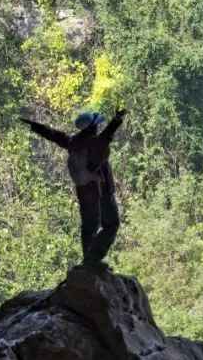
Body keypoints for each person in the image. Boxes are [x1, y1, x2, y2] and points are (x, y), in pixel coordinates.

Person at [19, 109, 126, 266]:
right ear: (92, 127)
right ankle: (93, 259)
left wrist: (34, 125)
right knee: (111, 224)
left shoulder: (71, 142)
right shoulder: (96, 142)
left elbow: (52, 134)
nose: (98, 127)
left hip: (83, 191)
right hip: (100, 190)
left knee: (89, 226)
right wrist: (117, 119)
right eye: (96, 125)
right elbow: (108, 133)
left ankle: (88, 261)